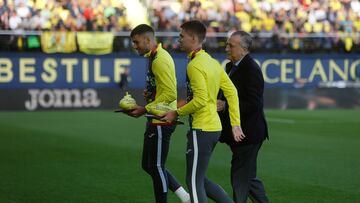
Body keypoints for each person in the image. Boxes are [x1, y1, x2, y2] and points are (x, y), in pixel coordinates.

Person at [162, 20, 245, 203]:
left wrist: (176, 113)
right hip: (213, 128)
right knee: (199, 179)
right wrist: (235, 123)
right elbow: (232, 92)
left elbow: (199, 100)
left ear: (193, 38)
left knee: (193, 182)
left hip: (202, 129)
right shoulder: (212, 62)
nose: (179, 40)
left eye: (182, 36)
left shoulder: (195, 65)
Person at [126, 24, 190, 203]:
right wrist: (151, 94)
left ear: (147, 40)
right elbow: (163, 89)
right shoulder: (153, 56)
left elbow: (170, 93)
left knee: (156, 166)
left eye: (136, 42)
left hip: (162, 119)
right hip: (156, 116)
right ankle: (184, 196)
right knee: (148, 165)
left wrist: (144, 109)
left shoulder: (159, 59)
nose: (135, 46)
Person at [217, 31, 269, 203]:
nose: (226, 49)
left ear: (244, 49)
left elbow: (253, 104)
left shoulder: (251, 69)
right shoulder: (230, 66)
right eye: (227, 44)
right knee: (248, 178)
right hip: (239, 133)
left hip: (249, 133)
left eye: (231, 46)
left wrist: (226, 106)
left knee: (239, 177)